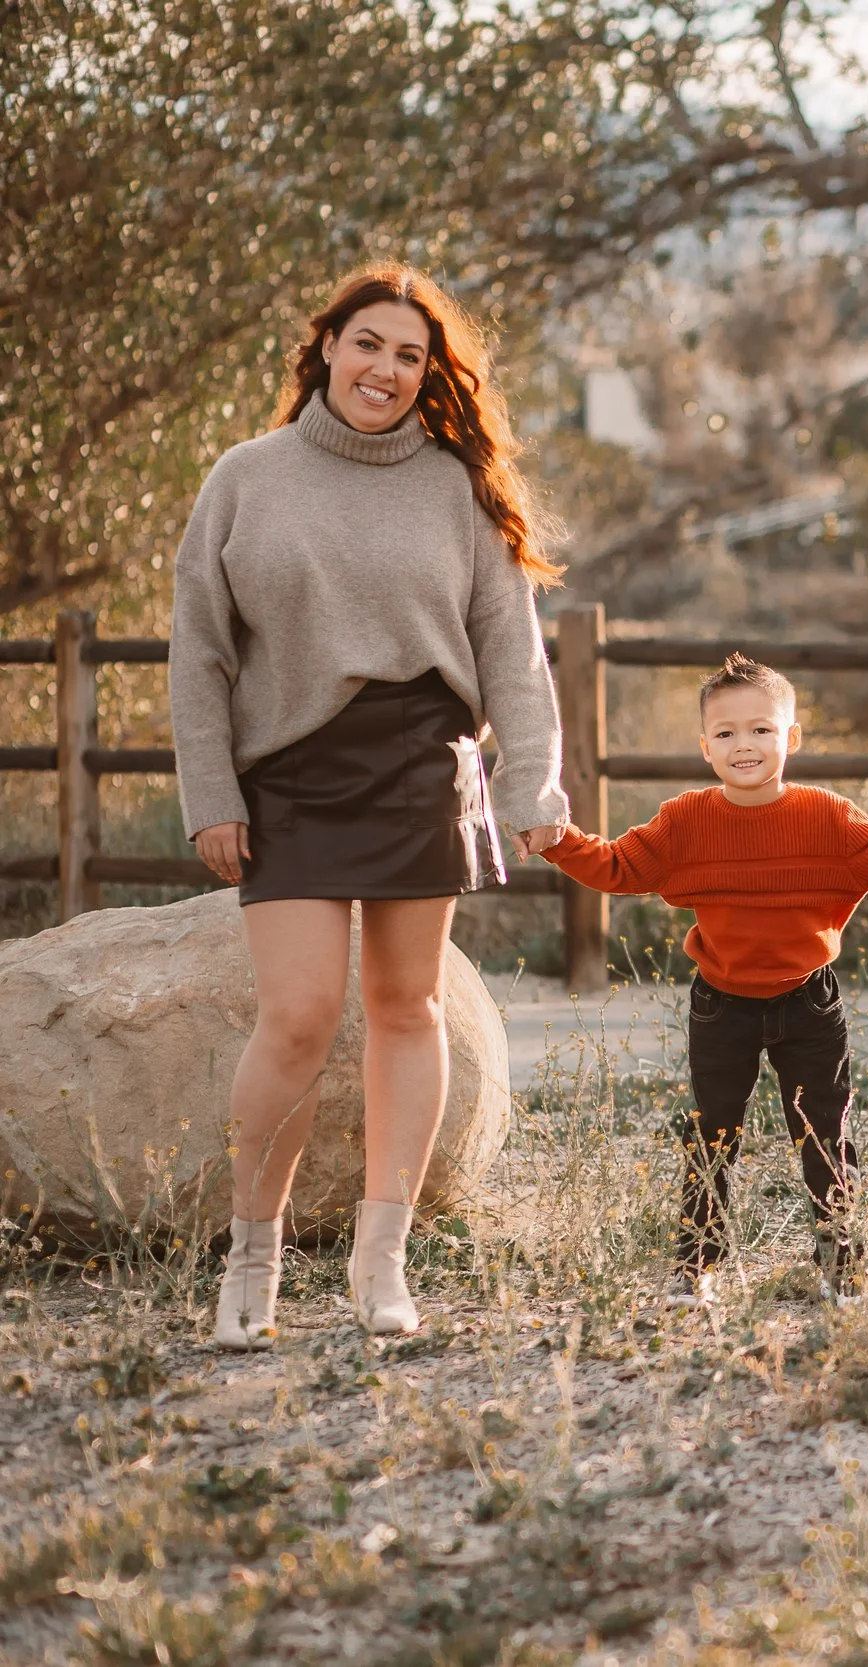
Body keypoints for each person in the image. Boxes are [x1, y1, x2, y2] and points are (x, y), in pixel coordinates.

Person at [174, 263, 568, 1347]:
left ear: (431, 374)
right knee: (296, 1016)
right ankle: (252, 1255)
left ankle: (380, 1259)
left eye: (411, 355)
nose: (386, 370)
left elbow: (512, 653)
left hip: (419, 763)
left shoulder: (456, 487)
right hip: (288, 774)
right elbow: (200, 652)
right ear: (327, 347)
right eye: (369, 345)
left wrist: (534, 784)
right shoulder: (246, 477)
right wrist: (210, 789)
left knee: (408, 1007)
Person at [537, 654, 868, 1305]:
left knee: (824, 1135)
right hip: (719, 1005)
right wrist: (558, 839)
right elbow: (617, 866)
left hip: (808, 1002)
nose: (744, 744)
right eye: (725, 733)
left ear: (793, 736)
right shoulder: (685, 821)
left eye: (760, 728)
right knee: (712, 1135)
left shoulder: (829, 817)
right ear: (705, 747)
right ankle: (695, 1264)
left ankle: (843, 1264)